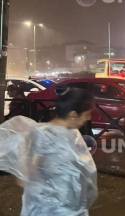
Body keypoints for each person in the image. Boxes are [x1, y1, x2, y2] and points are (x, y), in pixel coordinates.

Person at [0, 87, 97, 215]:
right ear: (73, 115)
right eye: (86, 114)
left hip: (66, 207)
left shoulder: (72, 134)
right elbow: (24, 177)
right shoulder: (42, 135)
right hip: (49, 209)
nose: (88, 119)